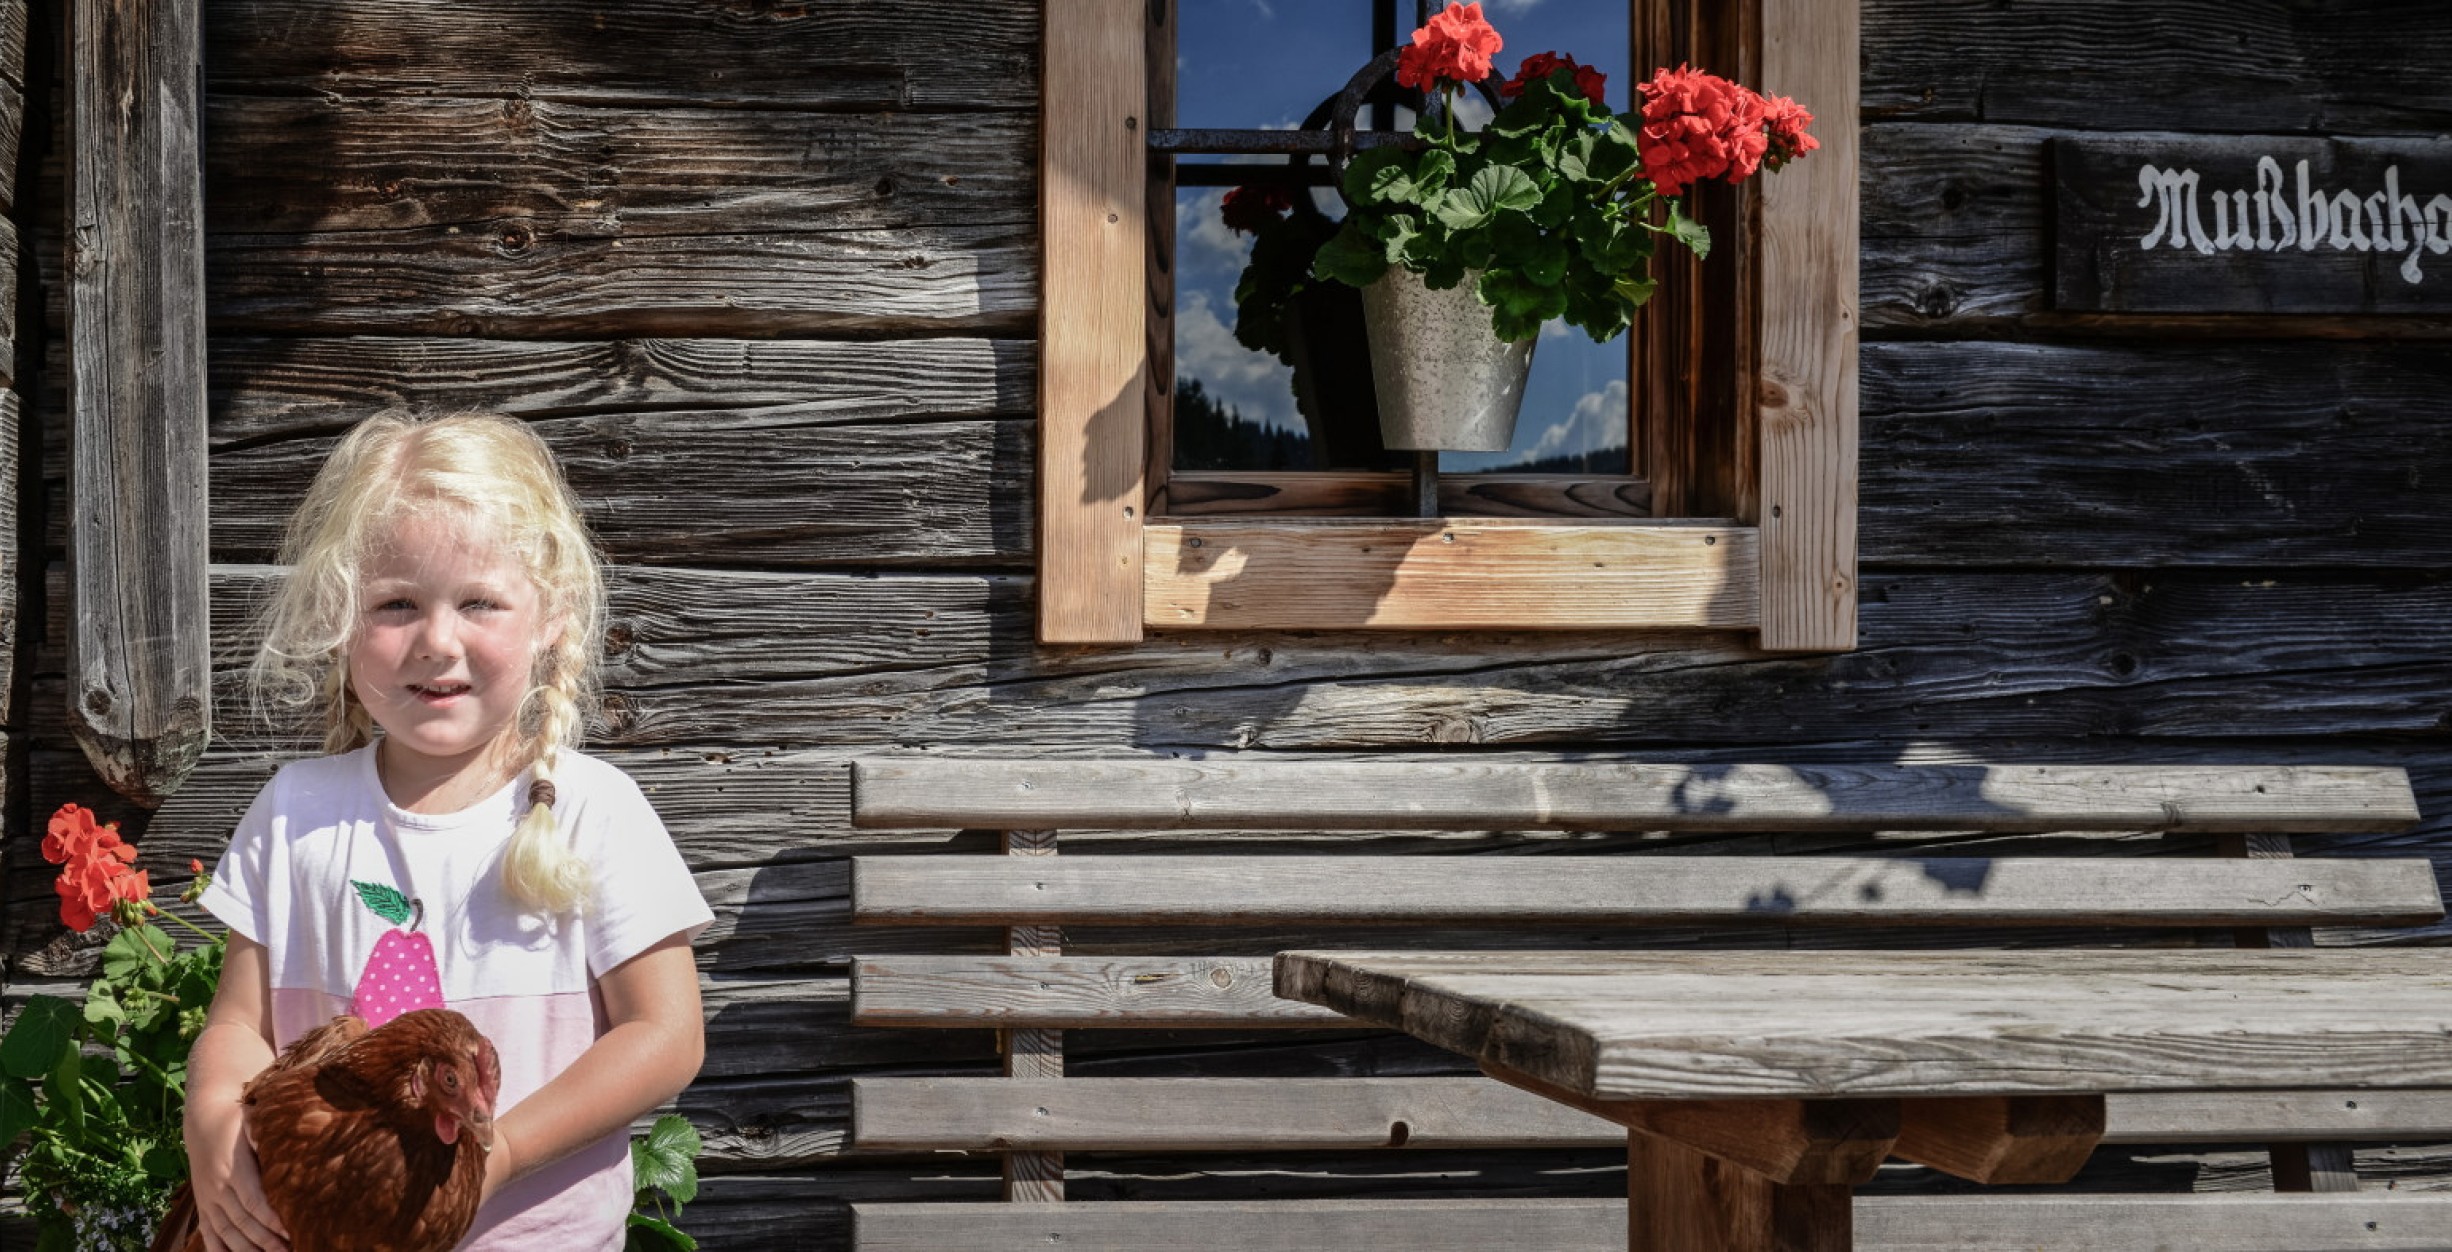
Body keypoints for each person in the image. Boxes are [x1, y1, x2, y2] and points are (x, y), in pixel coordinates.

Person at [183, 413, 713, 1251]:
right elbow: (239, 1024)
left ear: (550, 619)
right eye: (397, 604)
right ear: (341, 619)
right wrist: (213, 1117)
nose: (437, 641)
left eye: (479, 603)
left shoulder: (594, 809)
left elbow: (668, 1036)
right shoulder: (295, 813)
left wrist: (499, 1156)